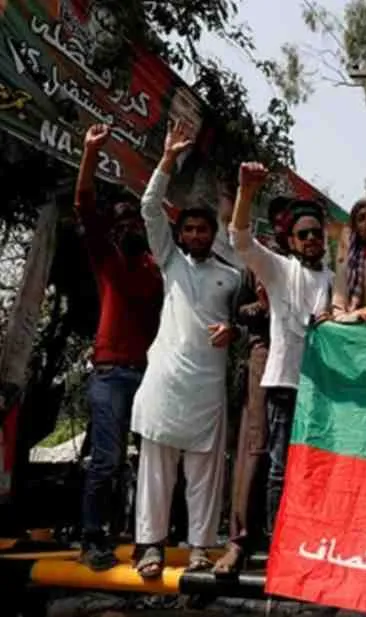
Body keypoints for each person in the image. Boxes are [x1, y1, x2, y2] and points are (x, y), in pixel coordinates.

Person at [130, 121, 242, 578]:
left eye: (202, 229)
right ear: (180, 235)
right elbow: (149, 207)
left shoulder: (231, 276)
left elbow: (246, 319)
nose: (195, 235)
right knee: (155, 473)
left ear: (212, 233)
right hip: (165, 382)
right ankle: (150, 548)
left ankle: (199, 549)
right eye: (189, 229)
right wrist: (167, 159)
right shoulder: (170, 261)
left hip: (207, 387)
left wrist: (234, 329)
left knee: (204, 474)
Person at [229, 162, 337, 537]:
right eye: (303, 234)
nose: (311, 239)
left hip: (323, 392)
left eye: (316, 233)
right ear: (290, 240)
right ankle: (280, 543)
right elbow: (240, 239)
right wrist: (246, 191)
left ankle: (310, 537)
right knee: (279, 468)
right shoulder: (278, 270)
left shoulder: (335, 281)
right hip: (285, 386)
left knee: (315, 467)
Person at [74, 124, 164, 571]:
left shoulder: (157, 267)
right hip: (110, 374)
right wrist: (91, 152)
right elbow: (84, 204)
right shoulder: (107, 259)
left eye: (135, 218)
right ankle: (92, 539)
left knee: (150, 462)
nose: (129, 223)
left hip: (149, 375)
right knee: (107, 460)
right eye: (121, 218)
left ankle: (143, 536)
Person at [214, 197, 295, 574]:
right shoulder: (259, 261)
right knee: (256, 444)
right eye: (278, 217)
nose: (283, 224)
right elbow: (238, 312)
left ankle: (287, 537)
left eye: (291, 219)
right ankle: (239, 540)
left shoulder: (310, 265)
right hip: (266, 353)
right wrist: (264, 308)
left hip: (306, 359)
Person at [331, 197, 366, 322]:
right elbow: (338, 315)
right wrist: (361, 313)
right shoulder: (347, 268)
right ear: (357, 230)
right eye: (362, 218)